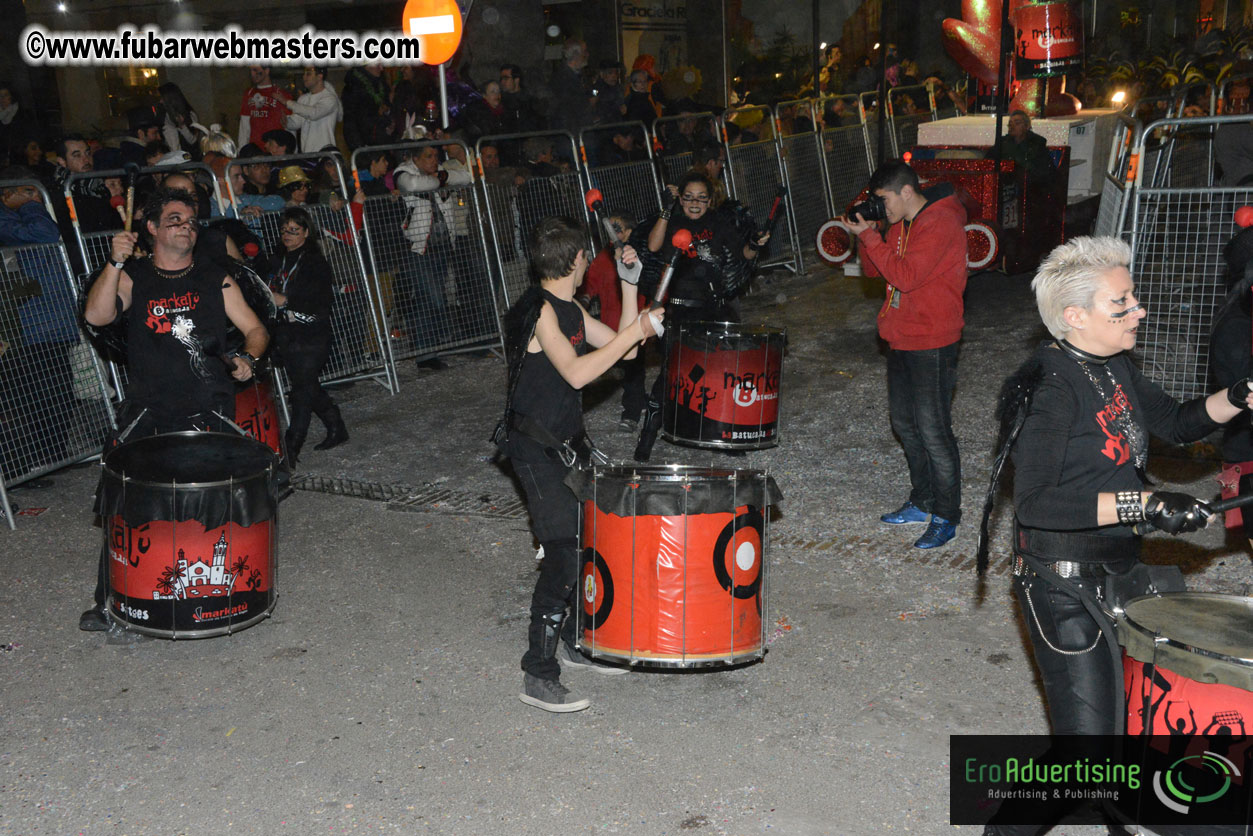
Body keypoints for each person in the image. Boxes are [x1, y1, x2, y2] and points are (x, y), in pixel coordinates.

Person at [978, 236, 1252, 835]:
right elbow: (1037, 503)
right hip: (1062, 584)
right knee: (1087, 754)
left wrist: (1239, 396)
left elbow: (1177, 423)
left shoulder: (1113, 365)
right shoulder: (1049, 388)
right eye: (1121, 303)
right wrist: (1144, 503)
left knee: (1131, 730)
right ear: (1075, 316)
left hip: (1121, 570)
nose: (1139, 311)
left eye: (1133, 297)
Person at [78, 187, 269, 632]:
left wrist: (250, 358)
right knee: (128, 506)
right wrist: (115, 262)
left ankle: (221, 596)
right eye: (175, 219)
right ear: (151, 228)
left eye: (191, 221)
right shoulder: (134, 275)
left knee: (218, 503)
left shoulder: (214, 277)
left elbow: (255, 328)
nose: (187, 227)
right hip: (149, 410)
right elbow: (98, 316)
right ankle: (110, 603)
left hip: (208, 408)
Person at [497, 215, 663, 713]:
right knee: (564, 550)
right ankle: (537, 673)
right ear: (576, 260)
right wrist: (637, 329)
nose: (590, 262)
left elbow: (625, 352)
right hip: (533, 447)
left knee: (586, 535)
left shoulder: (569, 308)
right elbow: (575, 374)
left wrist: (630, 287)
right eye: (587, 255)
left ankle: (573, 642)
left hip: (566, 443)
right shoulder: (540, 312)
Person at [843, 160, 967, 549]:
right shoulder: (899, 223)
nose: (881, 207)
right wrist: (868, 234)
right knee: (905, 424)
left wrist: (871, 237)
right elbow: (875, 272)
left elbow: (907, 277)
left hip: (933, 340)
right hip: (901, 336)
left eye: (883, 200)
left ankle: (946, 515)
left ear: (907, 191)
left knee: (933, 430)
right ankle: (923, 501)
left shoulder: (941, 222)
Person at [630, 172, 769, 461]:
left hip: (712, 309)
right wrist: (666, 209)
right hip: (678, 310)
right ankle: (647, 437)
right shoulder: (672, 220)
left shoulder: (718, 222)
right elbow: (653, 246)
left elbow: (742, 254)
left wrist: (755, 244)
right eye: (689, 197)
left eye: (702, 198)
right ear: (681, 199)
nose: (695, 203)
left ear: (709, 200)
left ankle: (721, 434)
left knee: (716, 373)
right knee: (670, 373)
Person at [0, 169, 80, 478]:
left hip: (52, 321)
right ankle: (31, 462)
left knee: (58, 394)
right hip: (27, 326)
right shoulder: (11, 219)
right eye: (28, 191)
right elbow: (45, 234)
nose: (36, 197)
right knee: (33, 397)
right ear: (7, 194)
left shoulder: (26, 216)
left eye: (36, 191)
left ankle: (53, 456)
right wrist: (32, 205)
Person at [267, 207, 346, 462]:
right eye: (284, 230)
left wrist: (286, 300)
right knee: (307, 385)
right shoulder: (277, 258)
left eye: (294, 230)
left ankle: (290, 448)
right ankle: (336, 426)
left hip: (312, 334)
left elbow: (320, 299)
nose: (287, 235)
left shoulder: (314, 261)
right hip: (287, 333)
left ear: (306, 232)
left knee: (301, 390)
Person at [393, 145, 469, 368]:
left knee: (430, 300)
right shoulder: (404, 173)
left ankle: (427, 352)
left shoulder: (439, 173)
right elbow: (412, 185)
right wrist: (440, 180)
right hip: (419, 249)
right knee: (432, 298)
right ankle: (428, 346)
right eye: (428, 156)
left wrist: (442, 177)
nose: (434, 160)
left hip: (442, 247)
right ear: (415, 159)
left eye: (436, 155)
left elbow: (466, 176)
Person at [581, 212, 648, 430]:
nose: (611, 233)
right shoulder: (604, 258)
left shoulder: (641, 255)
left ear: (629, 231)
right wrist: (583, 300)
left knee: (633, 370)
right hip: (610, 328)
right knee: (621, 366)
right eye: (609, 228)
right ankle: (640, 400)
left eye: (616, 228)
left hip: (636, 324)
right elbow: (591, 283)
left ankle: (632, 412)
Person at [285, 66, 342, 155]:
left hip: (326, 153)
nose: (304, 77)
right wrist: (285, 120)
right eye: (304, 74)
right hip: (307, 154)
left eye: (308, 74)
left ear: (319, 76)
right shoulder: (303, 99)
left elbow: (314, 113)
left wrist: (287, 102)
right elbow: (296, 123)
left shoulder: (330, 98)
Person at [989, 110, 1055, 186]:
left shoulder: (1037, 143)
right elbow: (988, 162)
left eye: (1017, 123)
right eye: (1010, 124)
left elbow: (1042, 172)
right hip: (1004, 185)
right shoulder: (1002, 142)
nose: (1012, 126)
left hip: (1031, 186)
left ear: (1027, 126)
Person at [238, 65, 292, 152]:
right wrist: (242, 151)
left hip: (275, 151)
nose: (252, 74)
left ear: (267, 70)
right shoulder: (248, 94)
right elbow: (244, 127)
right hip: (255, 151)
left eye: (255, 70)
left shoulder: (281, 94)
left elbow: (290, 128)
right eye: (251, 70)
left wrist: (291, 154)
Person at [341, 64, 391, 152]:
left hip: (383, 144)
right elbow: (351, 123)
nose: (381, 68)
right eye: (378, 64)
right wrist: (359, 149)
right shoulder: (353, 88)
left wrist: (387, 114)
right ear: (366, 65)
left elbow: (388, 107)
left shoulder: (382, 84)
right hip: (365, 146)